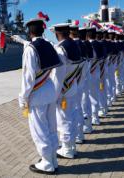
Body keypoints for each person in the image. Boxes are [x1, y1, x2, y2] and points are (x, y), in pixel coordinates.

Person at [18, 18, 61, 174]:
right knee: (51, 127)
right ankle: (53, 159)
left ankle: (47, 163)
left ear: (30, 32)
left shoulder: (30, 49)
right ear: (42, 31)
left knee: (39, 130)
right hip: (50, 90)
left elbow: (28, 77)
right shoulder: (49, 45)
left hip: (37, 94)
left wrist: (23, 98)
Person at [50, 23, 82, 159]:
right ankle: (72, 146)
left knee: (63, 120)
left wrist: (55, 94)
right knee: (72, 117)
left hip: (63, 90)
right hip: (73, 86)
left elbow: (58, 75)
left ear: (57, 34)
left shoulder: (60, 49)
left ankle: (67, 149)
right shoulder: (75, 45)